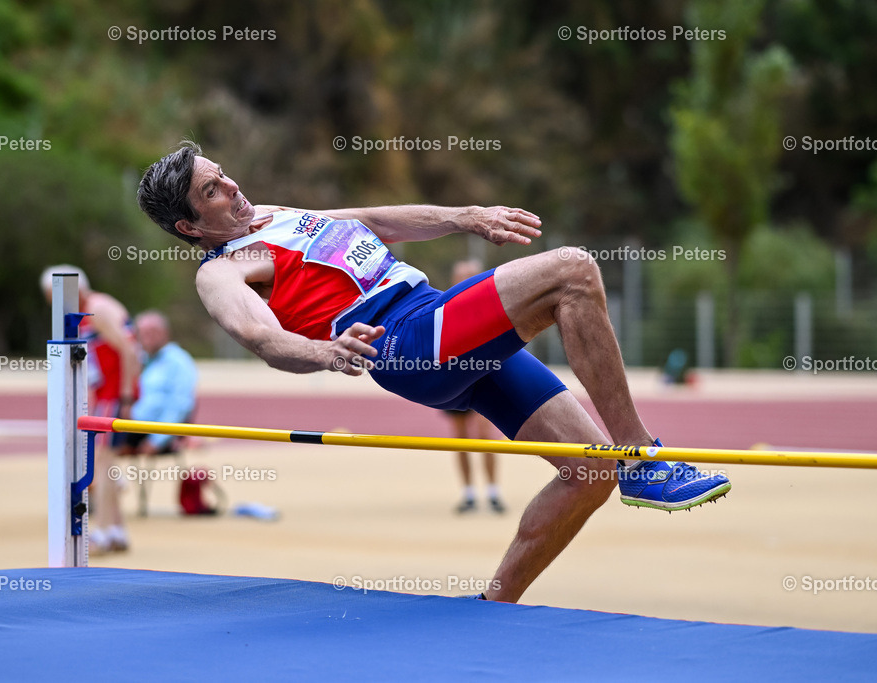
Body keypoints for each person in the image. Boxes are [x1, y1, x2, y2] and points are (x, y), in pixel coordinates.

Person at [136, 141, 731, 603]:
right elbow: (260, 337)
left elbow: (372, 218)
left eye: (222, 173)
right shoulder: (223, 268)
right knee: (573, 271)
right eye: (212, 190)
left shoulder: (273, 217)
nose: (231, 186)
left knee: (587, 473)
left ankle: (495, 606)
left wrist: (467, 216)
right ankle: (640, 456)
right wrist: (327, 351)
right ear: (190, 226)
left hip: (435, 317)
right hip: (406, 341)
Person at [41, 265, 140, 554]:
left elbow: (129, 351)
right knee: (104, 463)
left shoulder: (97, 308)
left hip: (114, 393)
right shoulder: (89, 309)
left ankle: (105, 530)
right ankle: (117, 531)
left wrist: (125, 398)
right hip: (107, 393)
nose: (52, 304)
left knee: (103, 464)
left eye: (54, 296)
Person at [443, 260, 505, 515]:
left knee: (484, 434)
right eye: (460, 277)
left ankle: (492, 491)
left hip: (482, 376)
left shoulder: (488, 307)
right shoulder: (445, 307)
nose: (463, 282)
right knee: (460, 438)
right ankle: (468, 492)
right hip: (455, 379)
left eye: (469, 277)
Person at [121, 310, 198, 456]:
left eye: (152, 332)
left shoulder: (179, 361)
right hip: (132, 426)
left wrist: (156, 441)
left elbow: (181, 406)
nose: (146, 337)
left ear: (165, 333)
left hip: (153, 431)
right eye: (142, 333)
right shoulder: (141, 359)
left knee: (100, 445)